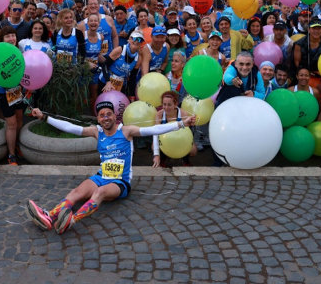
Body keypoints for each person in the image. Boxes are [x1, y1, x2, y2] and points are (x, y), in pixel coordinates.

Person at [25, 100, 196, 234]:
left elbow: (153, 130)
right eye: (101, 115)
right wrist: (44, 117)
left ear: (115, 116)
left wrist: (182, 123)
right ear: (98, 119)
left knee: (99, 193)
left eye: (108, 114)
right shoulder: (96, 132)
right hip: (101, 177)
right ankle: (49, 216)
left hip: (119, 182)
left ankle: (71, 220)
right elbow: (71, 128)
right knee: (77, 192)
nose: (105, 118)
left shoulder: (126, 131)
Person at [0, 27, 26, 166]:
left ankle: (15, 145)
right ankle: (11, 155)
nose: (11, 39)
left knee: (19, 120)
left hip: (17, 90)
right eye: (7, 36)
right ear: (2, 39)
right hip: (3, 92)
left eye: (13, 35)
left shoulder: (19, 51)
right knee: (11, 123)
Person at [152, 91, 196, 167]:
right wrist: (156, 154)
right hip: (164, 139)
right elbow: (156, 133)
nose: (166, 107)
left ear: (175, 104)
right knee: (154, 146)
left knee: (193, 150)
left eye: (169, 105)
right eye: (164, 104)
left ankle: (185, 160)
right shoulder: (159, 114)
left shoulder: (183, 114)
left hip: (180, 138)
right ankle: (162, 160)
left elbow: (186, 135)